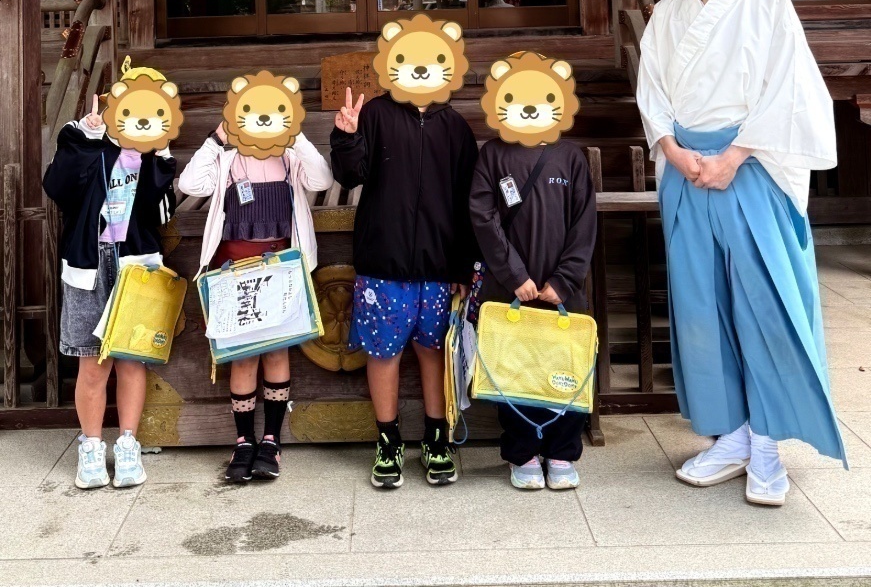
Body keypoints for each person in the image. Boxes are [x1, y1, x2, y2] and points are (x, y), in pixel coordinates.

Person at [636, 0, 846, 507]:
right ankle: (731, 433)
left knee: (764, 302)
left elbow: (789, 89)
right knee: (702, 306)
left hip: (748, 165)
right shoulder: (666, 15)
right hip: (687, 170)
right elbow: (653, 92)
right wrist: (671, 150)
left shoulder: (767, 3)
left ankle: (768, 445)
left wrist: (734, 155)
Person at [331, 86, 478, 489]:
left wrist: (464, 267)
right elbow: (349, 174)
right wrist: (346, 135)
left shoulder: (455, 127)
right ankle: (388, 441)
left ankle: (435, 440)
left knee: (433, 352)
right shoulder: (376, 113)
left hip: (439, 267)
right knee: (383, 353)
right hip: (383, 263)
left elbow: (470, 201)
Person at [179, 109, 332, 482]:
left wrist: (296, 136)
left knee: (278, 351)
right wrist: (215, 140)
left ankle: (271, 441)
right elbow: (189, 184)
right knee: (243, 358)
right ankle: (244, 441)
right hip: (234, 268)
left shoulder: (289, 156)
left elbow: (322, 178)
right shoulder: (227, 158)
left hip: (279, 267)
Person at [43, 93, 177, 490]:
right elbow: (57, 186)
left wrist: (159, 155)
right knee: (92, 362)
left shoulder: (151, 154)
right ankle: (91, 447)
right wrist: (88, 135)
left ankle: (128, 445)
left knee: (131, 360)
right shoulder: (87, 145)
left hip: (135, 264)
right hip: (89, 263)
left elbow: (162, 212)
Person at [469, 131, 596, 491]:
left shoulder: (570, 156)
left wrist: (566, 278)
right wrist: (513, 274)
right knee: (513, 367)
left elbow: (584, 223)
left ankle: (562, 451)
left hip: (562, 291)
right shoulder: (493, 154)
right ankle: (522, 452)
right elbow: (482, 214)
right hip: (511, 287)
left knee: (566, 364)